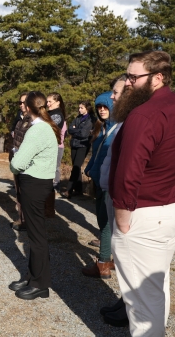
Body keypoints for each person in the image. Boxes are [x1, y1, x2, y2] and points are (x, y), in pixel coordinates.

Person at [110, 50, 175, 336]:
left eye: (134, 77)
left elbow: (128, 173)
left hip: (142, 215)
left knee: (143, 305)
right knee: (156, 291)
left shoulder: (143, 115)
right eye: (127, 76)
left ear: (158, 78)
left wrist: (123, 219)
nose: (128, 83)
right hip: (166, 211)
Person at [8, 91, 60, 300]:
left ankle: (40, 284)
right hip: (38, 183)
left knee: (37, 236)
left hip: (34, 184)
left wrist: (16, 159)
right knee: (33, 235)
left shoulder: (37, 130)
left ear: (29, 108)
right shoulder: (43, 128)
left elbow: (17, 163)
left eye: (24, 105)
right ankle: (32, 276)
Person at [97, 75, 128, 327]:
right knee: (123, 256)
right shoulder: (118, 125)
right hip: (110, 193)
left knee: (129, 257)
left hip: (125, 201)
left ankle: (131, 309)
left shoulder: (132, 123)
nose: (112, 97)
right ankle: (125, 300)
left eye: (116, 93)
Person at [81, 91, 116, 279]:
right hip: (98, 179)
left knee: (106, 223)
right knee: (104, 221)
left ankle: (102, 263)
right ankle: (109, 258)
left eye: (105, 107)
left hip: (109, 182)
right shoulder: (102, 128)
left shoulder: (118, 129)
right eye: (99, 107)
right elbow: (97, 154)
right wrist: (90, 168)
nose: (102, 110)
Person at [61, 102, 95, 199]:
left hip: (83, 145)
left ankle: (68, 190)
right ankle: (79, 190)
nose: (79, 109)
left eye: (81, 108)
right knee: (76, 167)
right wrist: (77, 130)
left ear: (87, 109)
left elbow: (84, 134)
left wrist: (77, 130)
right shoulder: (78, 118)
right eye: (79, 107)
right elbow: (70, 129)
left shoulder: (91, 119)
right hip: (74, 144)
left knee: (76, 167)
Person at [10, 93, 31, 231]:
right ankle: (21, 219)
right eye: (20, 102)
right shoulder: (20, 118)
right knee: (18, 192)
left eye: (24, 102)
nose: (21, 105)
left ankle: (28, 221)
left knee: (27, 193)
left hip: (27, 162)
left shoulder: (34, 121)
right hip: (17, 159)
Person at [46, 92, 67, 192]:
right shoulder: (49, 113)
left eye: (50, 101)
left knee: (55, 166)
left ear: (57, 102)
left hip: (55, 146)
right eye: (47, 101)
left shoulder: (57, 115)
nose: (48, 104)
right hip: (48, 146)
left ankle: (55, 184)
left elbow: (49, 130)